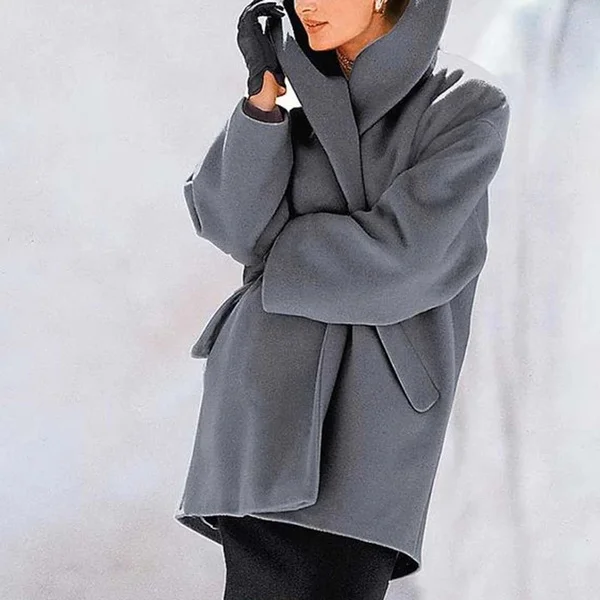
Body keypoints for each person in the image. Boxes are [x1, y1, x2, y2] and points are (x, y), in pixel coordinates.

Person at [175, 0, 511, 598]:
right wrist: (261, 105)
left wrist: (277, 258)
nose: (306, 3)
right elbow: (229, 224)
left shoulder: (462, 102)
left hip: (371, 419)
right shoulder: (292, 98)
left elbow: (403, 263)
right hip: (259, 402)